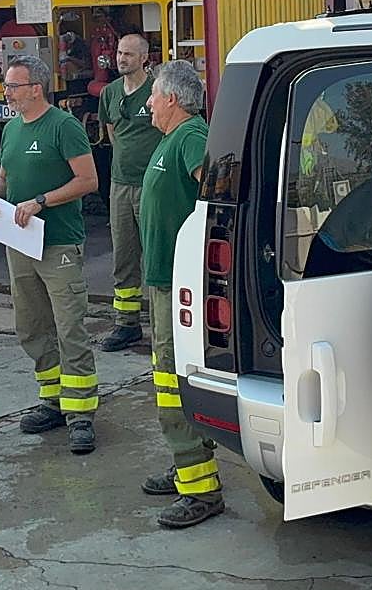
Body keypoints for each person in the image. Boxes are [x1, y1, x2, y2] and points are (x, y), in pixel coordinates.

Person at [0, 56, 100, 454]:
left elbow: (88, 180)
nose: (6, 93)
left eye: (13, 86)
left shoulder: (63, 127)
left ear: (36, 88)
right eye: (6, 86)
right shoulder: (12, 129)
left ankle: (80, 414)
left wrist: (42, 201)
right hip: (20, 242)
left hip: (58, 242)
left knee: (69, 327)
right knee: (32, 325)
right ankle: (52, 401)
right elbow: (5, 175)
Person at [138, 60, 224, 528]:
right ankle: (187, 467)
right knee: (171, 377)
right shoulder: (171, 139)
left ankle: (201, 489)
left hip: (179, 283)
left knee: (172, 380)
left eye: (154, 94)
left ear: (172, 99)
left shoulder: (190, 135)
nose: (149, 102)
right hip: (164, 280)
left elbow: (215, 193)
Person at [97, 33, 162, 352]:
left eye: (129, 54)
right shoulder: (109, 93)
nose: (121, 59)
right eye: (120, 53)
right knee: (124, 256)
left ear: (144, 59)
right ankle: (127, 324)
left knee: (156, 255)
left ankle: (163, 325)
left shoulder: (157, 92)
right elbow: (113, 134)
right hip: (120, 185)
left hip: (152, 186)